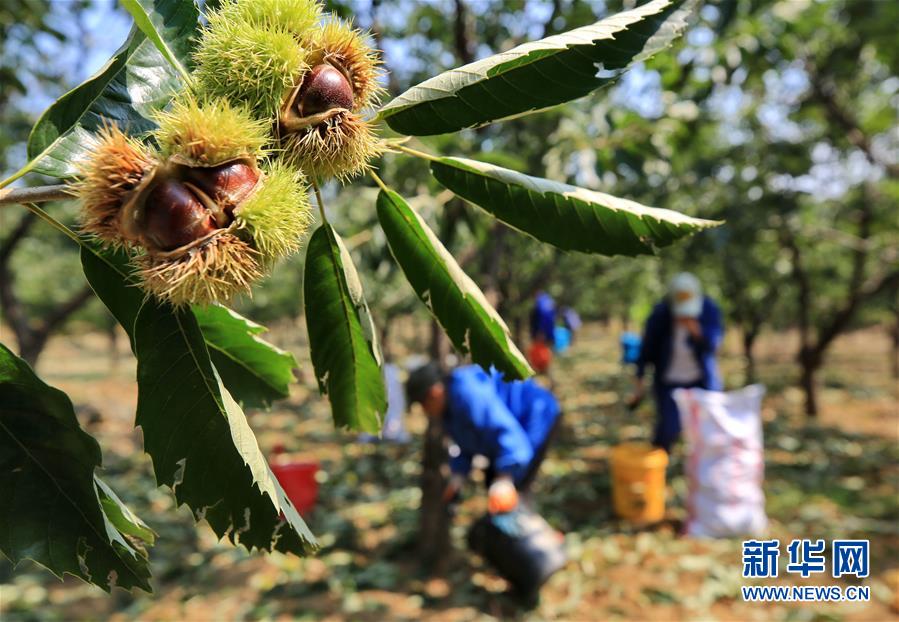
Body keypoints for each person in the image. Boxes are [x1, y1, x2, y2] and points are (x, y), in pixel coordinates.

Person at [406, 363, 562, 514]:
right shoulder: (449, 409)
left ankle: (529, 533)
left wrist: (505, 478)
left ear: (435, 392)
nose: (424, 410)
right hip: (513, 439)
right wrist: (458, 476)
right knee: (495, 486)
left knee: (513, 493)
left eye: (423, 403)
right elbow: (466, 443)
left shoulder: (468, 392)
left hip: (536, 419)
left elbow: (508, 434)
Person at [627, 272, 723, 453]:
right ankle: (659, 464)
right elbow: (646, 350)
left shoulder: (709, 310)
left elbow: (712, 345)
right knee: (668, 427)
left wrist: (695, 331)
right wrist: (638, 382)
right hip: (669, 382)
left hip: (700, 380)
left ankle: (700, 468)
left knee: (707, 429)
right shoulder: (660, 314)